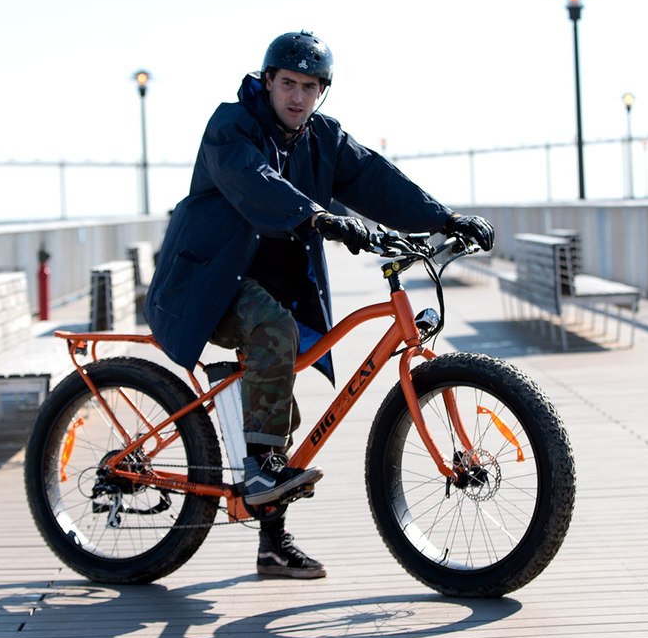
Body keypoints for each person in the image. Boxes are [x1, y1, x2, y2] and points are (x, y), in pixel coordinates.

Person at [143, 30, 495, 579]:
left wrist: (444, 218)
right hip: (209, 285)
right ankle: (259, 470)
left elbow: (378, 180)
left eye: (311, 87)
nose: (298, 97)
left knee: (280, 409)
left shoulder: (321, 138)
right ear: (267, 82)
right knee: (273, 331)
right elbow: (253, 182)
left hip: (273, 288)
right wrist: (317, 216)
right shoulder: (230, 126)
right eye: (289, 83)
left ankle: (272, 545)